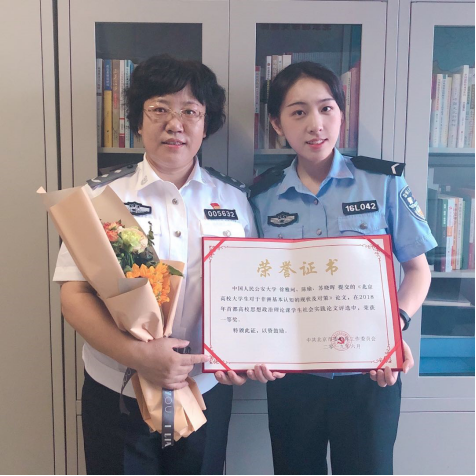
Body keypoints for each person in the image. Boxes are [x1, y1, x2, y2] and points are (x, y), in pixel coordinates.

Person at [55, 55, 262, 476]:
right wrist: (137, 354)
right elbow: (73, 295)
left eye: (190, 111)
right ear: (138, 120)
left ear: (206, 123)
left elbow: (253, 292)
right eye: (159, 109)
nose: (175, 124)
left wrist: (240, 356)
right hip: (117, 389)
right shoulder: (100, 197)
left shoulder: (236, 200)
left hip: (205, 389)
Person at [250, 62, 437, 475]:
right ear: (277, 124)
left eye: (326, 108)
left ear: (341, 114)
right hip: (292, 375)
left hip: (370, 372)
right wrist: (254, 346)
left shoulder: (383, 182)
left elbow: (418, 270)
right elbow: (251, 286)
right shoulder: (262, 197)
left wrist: (394, 328)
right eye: (298, 112)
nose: (315, 124)